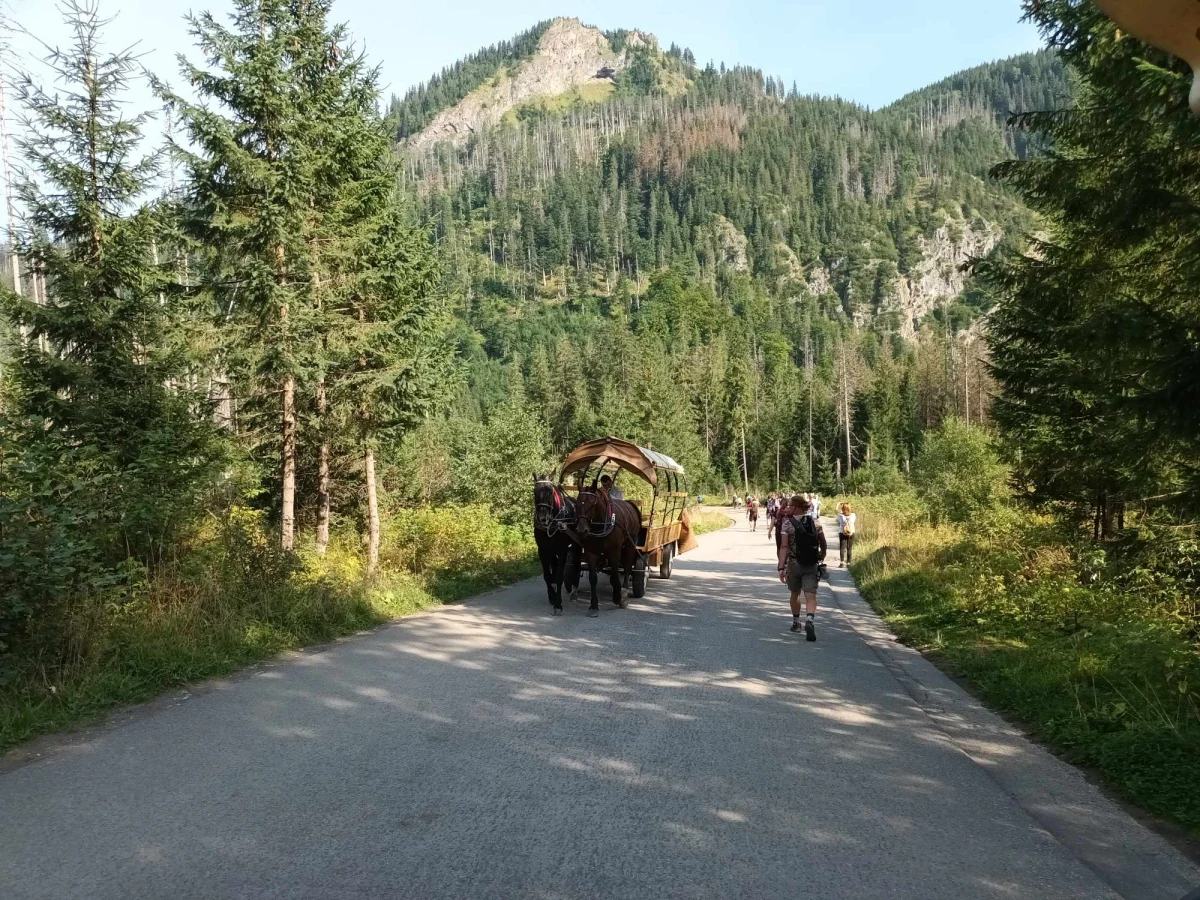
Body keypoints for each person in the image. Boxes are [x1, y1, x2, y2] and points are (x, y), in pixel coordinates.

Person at [778, 494, 826, 641]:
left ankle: (796, 622)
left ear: (796, 507)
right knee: (810, 595)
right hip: (811, 564)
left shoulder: (787, 524)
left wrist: (781, 567)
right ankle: (810, 619)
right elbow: (823, 543)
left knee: (795, 594)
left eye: (790, 505)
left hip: (794, 564)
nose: (788, 508)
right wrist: (821, 556)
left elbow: (784, 547)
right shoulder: (815, 522)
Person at [837, 502, 856, 567]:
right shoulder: (853, 515)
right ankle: (848, 563)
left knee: (842, 548)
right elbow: (853, 522)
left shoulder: (840, 515)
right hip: (851, 532)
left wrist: (840, 505)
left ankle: (842, 563)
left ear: (842, 509)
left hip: (842, 532)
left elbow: (839, 521)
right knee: (849, 548)